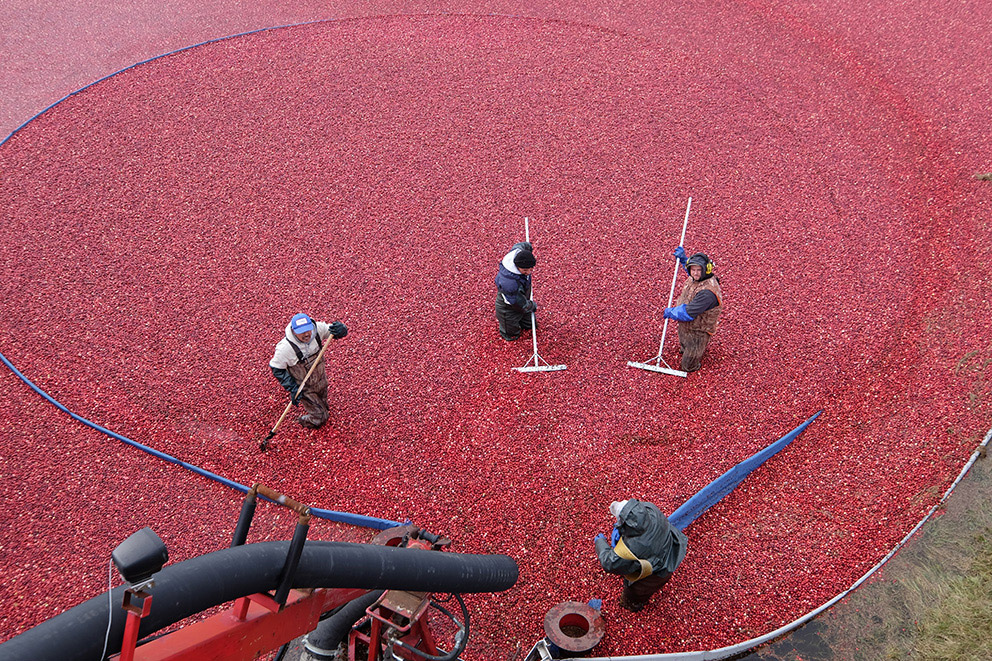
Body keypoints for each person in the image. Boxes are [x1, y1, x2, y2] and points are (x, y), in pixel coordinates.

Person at [594, 499, 688, 612]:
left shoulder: (634, 546)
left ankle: (632, 604)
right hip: (672, 550)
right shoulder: (651, 508)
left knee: (637, 591)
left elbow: (609, 563)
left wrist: (601, 542)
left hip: (658, 572)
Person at [269, 312, 348, 429]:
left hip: (320, 377)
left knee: (323, 398)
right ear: (293, 331)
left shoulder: (317, 329)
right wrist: (292, 388)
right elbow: (277, 368)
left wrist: (342, 330)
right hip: (304, 386)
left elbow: (332, 331)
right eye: (301, 332)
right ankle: (306, 420)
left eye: (308, 330)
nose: (306, 334)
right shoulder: (285, 349)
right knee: (320, 416)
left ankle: (321, 409)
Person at [663, 248, 723, 373]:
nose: (695, 273)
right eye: (693, 269)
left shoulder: (707, 293)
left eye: (699, 270)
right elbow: (691, 272)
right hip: (687, 327)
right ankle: (686, 348)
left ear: (706, 270)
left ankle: (694, 363)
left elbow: (687, 314)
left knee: (687, 364)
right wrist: (684, 260)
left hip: (698, 331)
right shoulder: (697, 278)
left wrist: (671, 312)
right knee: (684, 342)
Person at [494, 242, 538, 341]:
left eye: (531, 269)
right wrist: (531, 306)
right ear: (516, 266)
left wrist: (529, 249)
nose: (529, 272)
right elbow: (517, 303)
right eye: (525, 271)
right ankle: (509, 334)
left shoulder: (517, 252)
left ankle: (525, 323)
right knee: (511, 331)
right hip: (508, 307)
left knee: (530, 324)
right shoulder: (510, 284)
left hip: (521, 297)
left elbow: (523, 245)